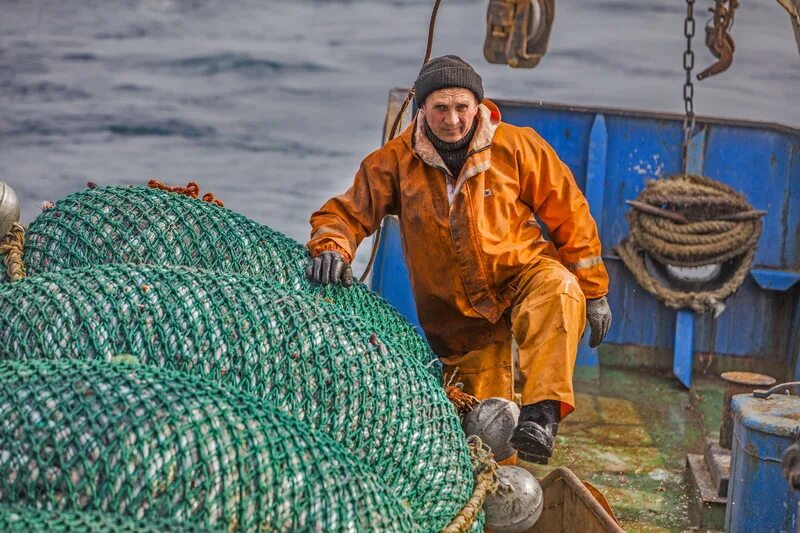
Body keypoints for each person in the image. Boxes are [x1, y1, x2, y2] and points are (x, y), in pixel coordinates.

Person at [305, 55, 611, 464]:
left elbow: (569, 212)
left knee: (559, 289)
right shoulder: (394, 163)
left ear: (478, 106)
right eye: (441, 108)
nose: (452, 119)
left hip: (522, 275)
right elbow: (344, 214)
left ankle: (542, 414)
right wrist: (331, 248)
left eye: (461, 107)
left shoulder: (517, 146)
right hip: (458, 319)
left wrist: (593, 293)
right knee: (487, 437)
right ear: (422, 110)